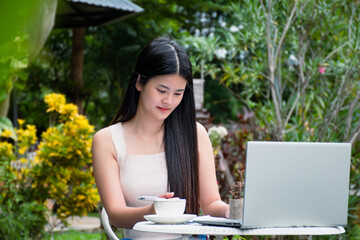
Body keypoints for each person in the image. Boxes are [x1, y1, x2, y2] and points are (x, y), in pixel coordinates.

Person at [92, 37, 229, 239]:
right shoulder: (107, 140)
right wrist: (152, 212)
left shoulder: (195, 133)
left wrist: (233, 212)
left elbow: (210, 204)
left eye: (178, 93)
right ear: (139, 82)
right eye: (161, 90)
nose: (169, 101)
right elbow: (115, 215)